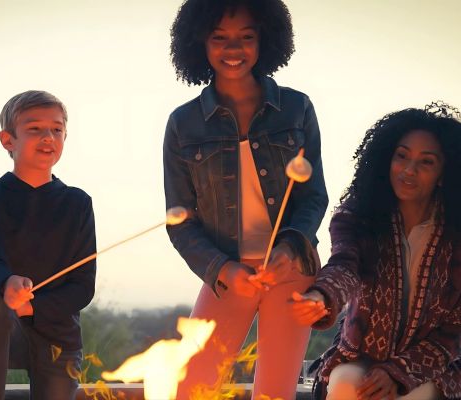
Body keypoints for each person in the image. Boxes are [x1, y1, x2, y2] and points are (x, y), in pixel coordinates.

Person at [163, 0, 328, 398]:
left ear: (265, 40)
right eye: (219, 37)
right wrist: (222, 270)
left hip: (289, 269)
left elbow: (314, 197)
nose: (233, 49)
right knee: (190, 387)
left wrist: (290, 246)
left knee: (274, 390)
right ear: (199, 41)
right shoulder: (182, 123)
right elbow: (179, 221)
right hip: (227, 273)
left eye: (246, 37)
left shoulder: (296, 108)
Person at [292, 103, 461, 400]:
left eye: (426, 162)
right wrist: (321, 297)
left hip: (433, 364)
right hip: (362, 353)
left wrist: (400, 373)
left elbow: (455, 327)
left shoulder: (456, 233)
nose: (409, 170)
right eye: (402, 156)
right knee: (345, 389)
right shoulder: (358, 216)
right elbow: (345, 266)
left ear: (444, 174)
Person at [0, 90, 96, 400]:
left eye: (56, 129)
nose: (48, 136)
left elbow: (83, 287)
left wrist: (33, 306)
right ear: (7, 140)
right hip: (1, 327)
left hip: (58, 335)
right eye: (34, 128)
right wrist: (7, 282)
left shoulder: (77, 203)